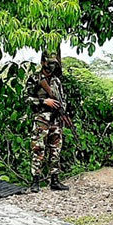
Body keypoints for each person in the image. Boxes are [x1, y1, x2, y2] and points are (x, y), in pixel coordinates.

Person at [25, 51, 69, 192]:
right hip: (41, 119)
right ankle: (35, 182)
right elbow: (26, 99)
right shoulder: (34, 78)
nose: (52, 65)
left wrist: (62, 111)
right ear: (43, 62)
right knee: (38, 150)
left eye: (54, 63)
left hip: (55, 120)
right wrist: (44, 101)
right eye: (49, 62)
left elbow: (62, 99)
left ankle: (54, 180)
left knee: (55, 150)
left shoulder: (56, 81)